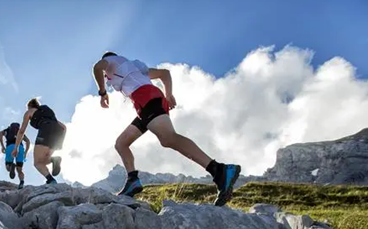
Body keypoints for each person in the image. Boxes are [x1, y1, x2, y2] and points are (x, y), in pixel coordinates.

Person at [92, 51, 241, 206]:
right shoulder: (133, 67)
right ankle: (133, 181)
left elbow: (97, 67)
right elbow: (164, 73)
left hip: (146, 98)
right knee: (121, 143)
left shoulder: (109, 61)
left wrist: (102, 93)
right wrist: (168, 95)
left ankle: (220, 170)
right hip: (148, 101)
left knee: (168, 138)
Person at [13, 98, 66, 184]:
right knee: (44, 160)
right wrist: (58, 146)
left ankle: (51, 180)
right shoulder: (47, 114)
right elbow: (64, 127)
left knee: (37, 163)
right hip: (57, 134)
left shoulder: (29, 112)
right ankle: (54, 160)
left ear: (29, 106)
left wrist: (16, 147)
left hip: (45, 130)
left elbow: (21, 131)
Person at [0, 122, 30, 189]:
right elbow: (28, 141)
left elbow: (0, 133)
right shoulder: (20, 132)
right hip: (20, 148)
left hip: (10, 147)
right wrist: (25, 152)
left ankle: (11, 166)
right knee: (20, 170)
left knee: (8, 168)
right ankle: (21, 182)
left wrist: (2, 146)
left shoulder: (7, 130)